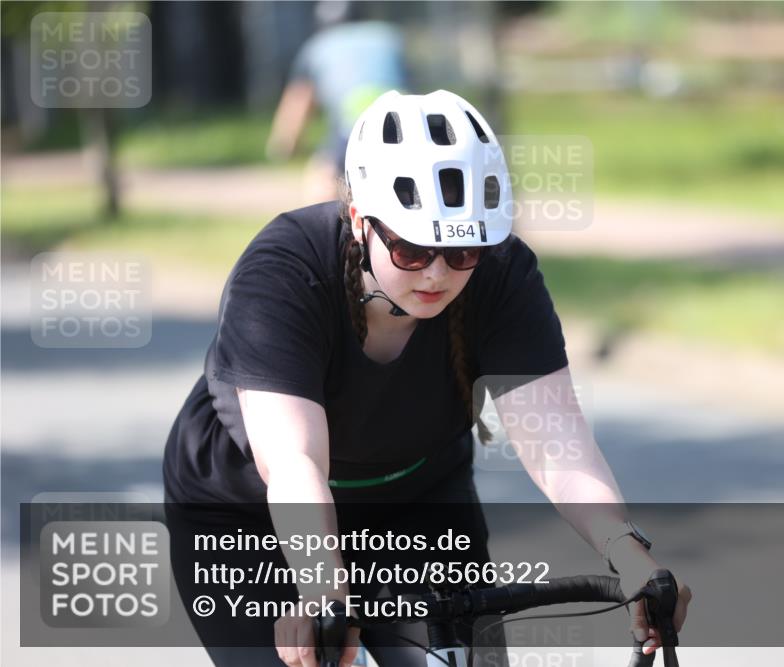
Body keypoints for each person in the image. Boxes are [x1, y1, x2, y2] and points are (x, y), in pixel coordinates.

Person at [163, 89, 692, 667]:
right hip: (255, 521)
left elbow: (558, 446)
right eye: (413, 249)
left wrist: (628, 553)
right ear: (361, 220)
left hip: (418, 510)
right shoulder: (284, 271)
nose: (439, 273)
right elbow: (294, 462)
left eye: (463, 251)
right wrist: (319, 586)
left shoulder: (503, 275)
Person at [266, 0, 408, 204]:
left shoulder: (318, 45)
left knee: (322, 180)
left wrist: (286, 143)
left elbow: (299, 100)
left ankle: (326, 230)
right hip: (399, 116)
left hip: (354, 121)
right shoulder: (389, 36)